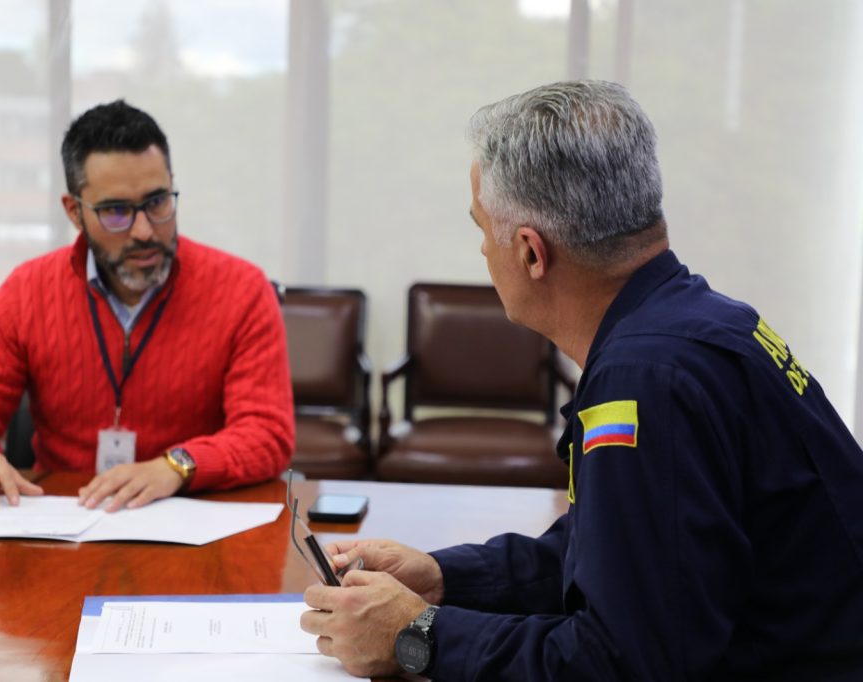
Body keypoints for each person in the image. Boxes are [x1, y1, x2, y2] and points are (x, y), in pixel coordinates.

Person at [301, 80, 863, 680]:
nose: (482, 254)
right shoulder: (696, 322)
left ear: (531, 253)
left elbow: (626, 663)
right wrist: (446, 578)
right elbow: (630, 551)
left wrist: (419, 635)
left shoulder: (645, 381)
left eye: (482, 230)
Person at [0, 100, 294, 512]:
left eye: (157, 202)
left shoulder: (241, 290)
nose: (144, 231)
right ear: (74, 212)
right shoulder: (28, 290)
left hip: (197, 523)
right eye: (116, 211)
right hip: (66, 523)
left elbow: (266, 433)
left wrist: (177, 466)